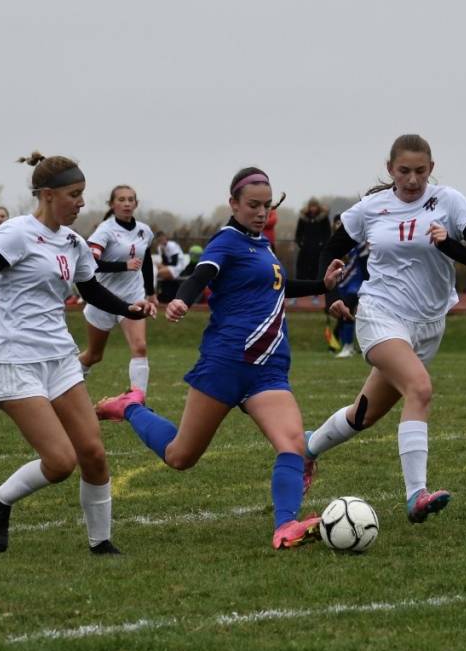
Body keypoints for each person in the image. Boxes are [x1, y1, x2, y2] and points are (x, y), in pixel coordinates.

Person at [94, 166, 345, 549]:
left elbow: (278, 285)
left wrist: (321, 286)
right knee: (181, 456)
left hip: (268, 371)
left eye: (267, 206)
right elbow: (203, 272)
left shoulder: (261, 245)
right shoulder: (227, 240)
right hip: (226, 363)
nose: (261, 213)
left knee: (293, 445)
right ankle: (130, 406)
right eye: (252, 206)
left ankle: (285, 527)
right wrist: (182, 298)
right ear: (233, 204)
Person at [0, 151, 156, 556]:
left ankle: (100, 543)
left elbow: (91, 290)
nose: (82, 203)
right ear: (47, 195)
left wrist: (129, 308)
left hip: (61, 359)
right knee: (61, 461)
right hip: (16, 359)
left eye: (83, 194)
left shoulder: (73, 242)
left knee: (94, 454)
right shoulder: (16, 234)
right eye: (74, 194)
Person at [303, 134, 466, 524]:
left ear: (432, 168)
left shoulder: (450, 202)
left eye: (420, 171)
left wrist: (449, 246)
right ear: (391, 169)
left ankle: (304, 451)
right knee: (420, 389)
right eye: (404, 171)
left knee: (362, 416)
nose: (412, 179)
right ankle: (416, 496)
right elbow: (330, 249)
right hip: (380, 314)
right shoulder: (370, 208)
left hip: (428, 325)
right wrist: (332, 294)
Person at [78, 185, 157, 395]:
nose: (127, 203)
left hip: (133, 298)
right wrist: (123, 266)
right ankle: (63, 387)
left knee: (139, 348)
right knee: (94, 355)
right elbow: (89, 264)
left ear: (136, 204)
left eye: (131, 199)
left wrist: (151, 292)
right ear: (112, 204)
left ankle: (138, 402)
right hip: (103, 299)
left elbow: (146, 260)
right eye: (121, 199)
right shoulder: (105, 230)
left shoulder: (144, 230)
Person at [329, 214, 368, 358]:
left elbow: (365, 261)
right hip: (342, 282)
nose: (339, 226)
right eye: (337, 223)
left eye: (341, 223)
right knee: (345, 312)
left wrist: (367, 282)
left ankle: (349, 346)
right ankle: (349, 345)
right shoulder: (334, 242)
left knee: (348, 310)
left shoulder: (357, 240)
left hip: (356, 282)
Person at [295, 197, 331, 303]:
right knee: (301, 273)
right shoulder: (303, 218)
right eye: (311, 206)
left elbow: (327, 233)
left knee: (316, 273)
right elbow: (298, 234)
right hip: (305, 250)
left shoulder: (323, 218)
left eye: (314, 206)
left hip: (318, 251)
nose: (313, 209)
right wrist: (301, 243)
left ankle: (315, 297)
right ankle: (297, 297)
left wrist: (322, 244)